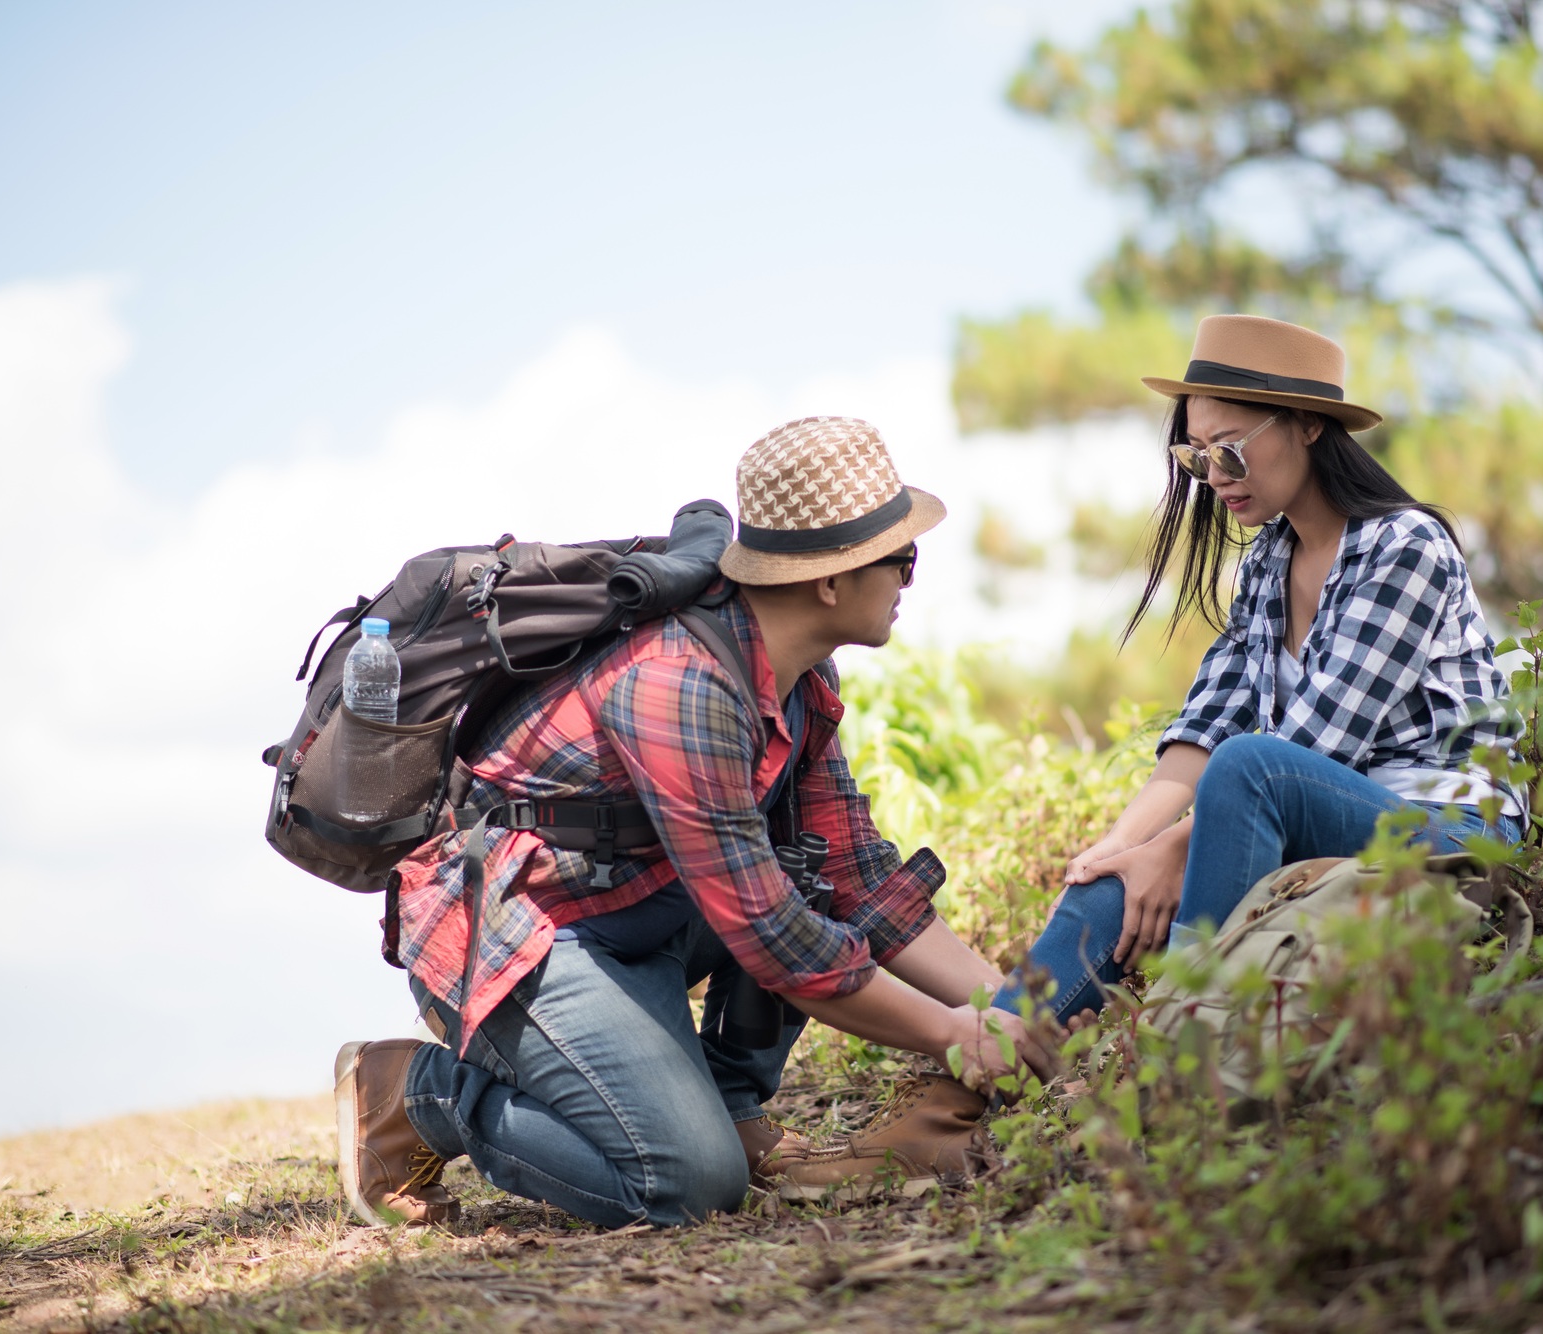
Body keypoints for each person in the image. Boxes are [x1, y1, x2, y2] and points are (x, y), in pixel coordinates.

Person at [334, 416, 1052, 1229]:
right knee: (684, 1183)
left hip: (644, 911)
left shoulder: (798, 678)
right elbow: (774, 937)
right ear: (831, 580)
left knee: (808, 866)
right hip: (526, 936)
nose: (909, 583)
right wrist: (953, 1038)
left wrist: (1004, 1007)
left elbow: (855, 875)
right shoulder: (680, 685)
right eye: (904, 562)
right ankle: (417, 1095)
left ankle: (730, 1110)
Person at [994, 314, 1527, 1027]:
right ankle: (976, 1066)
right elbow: (1208, 724)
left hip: (1449, 830)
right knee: (1111, 892)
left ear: (1308, 425)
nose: (1214, 478)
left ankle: (1179, 1033)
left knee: (1248, 770)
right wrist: (1118, 851)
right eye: (1197, 457)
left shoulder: (1407, 549)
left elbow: (1305, 753)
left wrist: (1172, 849)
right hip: (1329, 814)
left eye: (1231, 453)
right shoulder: (1268, 562)